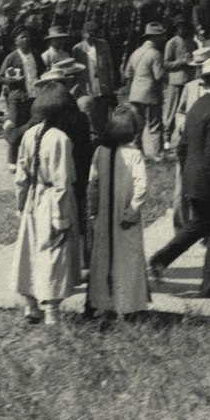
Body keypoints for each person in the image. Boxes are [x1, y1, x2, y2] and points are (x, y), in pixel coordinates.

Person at [149, 54, 210, 299]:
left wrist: (189, 175)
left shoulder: (198, 106)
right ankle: (204, 282)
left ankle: (167, 262)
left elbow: (183, 146)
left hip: (195, 181)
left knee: (201, 227)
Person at [10, 87, 83, 325]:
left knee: (30, 249)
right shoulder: (61, 139)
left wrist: (21, 204)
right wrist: (61, 218)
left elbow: (21, 175)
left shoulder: (29, 134)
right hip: (53, 200)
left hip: (33, 196)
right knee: (54, 252)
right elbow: (62, 181)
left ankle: (31, 305)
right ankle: (51, 310)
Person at [86, 105, 151, 321]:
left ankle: (105, 304)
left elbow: (93, 184)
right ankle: (129, 306)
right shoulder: (134, 155)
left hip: (104, 216)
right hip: (124, 216)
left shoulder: (100, 152)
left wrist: (94, 212)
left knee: (104, 257)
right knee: (128, 258)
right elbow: (141, 186)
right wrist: (132, 209)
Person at [0, 27, 42, 165]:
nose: (25, 39)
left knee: (33, 127)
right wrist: (12, 81)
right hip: (17, 98)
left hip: (34, 97)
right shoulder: (11, 57)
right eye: (22, 37)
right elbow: (0, 77)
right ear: (16, 41)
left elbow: (43, 72)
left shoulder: (36, 55)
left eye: (27, 36)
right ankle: (12, 161)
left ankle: (30, 158)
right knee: (16, 128)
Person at [123, 22, 167, 160]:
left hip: (135, 94)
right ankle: (157, 154)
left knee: (137, 125)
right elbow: (158, 76)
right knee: (154, 125)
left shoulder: (135, 53)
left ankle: (137, 153)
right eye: (160, 37)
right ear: (154, 37)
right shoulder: (156, 54)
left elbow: (127, 74)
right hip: (151, 94)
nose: (162, 39)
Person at [71, 18, 116, 145]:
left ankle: (104, 140)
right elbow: (76, 71)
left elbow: (109, 65)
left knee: (104, 115)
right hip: (88, 87)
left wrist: (111, 83)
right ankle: (96, 141)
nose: (91, 37)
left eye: (94, 34)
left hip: (103, 86)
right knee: (91, 116)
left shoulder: (103, 45)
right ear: (83, 34)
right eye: (89, 34)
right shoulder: (77, 49)